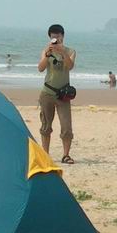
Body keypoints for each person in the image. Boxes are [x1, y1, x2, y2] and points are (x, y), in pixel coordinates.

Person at [37, 23, 76, 164]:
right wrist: (47, 55)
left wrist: (62, 52)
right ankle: (45, 155)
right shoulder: (46, 50)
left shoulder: (70, 51)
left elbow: (70, 66)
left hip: (63, 94)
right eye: (53, 37)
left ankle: (66, 155)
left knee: (66, 127)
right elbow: (40, 68)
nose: (56, 39)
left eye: (58, 37)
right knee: (46, 125)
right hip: (47, 93)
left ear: (63, 36)